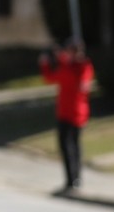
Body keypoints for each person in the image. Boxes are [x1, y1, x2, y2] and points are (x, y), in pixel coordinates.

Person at [39, 42, 94, 193]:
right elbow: (50, 78)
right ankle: (70, 180)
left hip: (77, 113)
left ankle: (75, 179)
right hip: (63, 113)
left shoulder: (82, 67)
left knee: (74, 147)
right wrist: (45, 64)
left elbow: (81, 84)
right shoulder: (66, 66)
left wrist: (63, 60)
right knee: (64, 147)